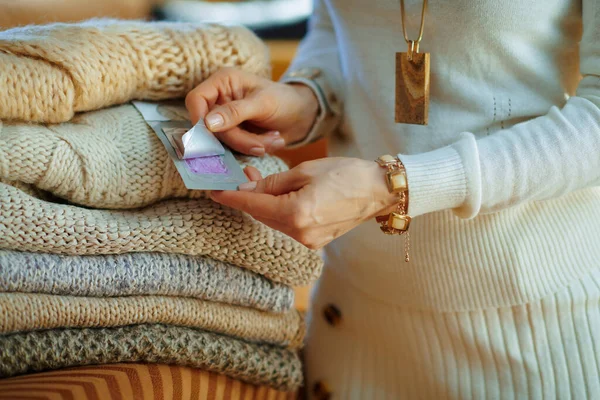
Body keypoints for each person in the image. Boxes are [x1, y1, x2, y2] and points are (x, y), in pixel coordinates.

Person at [185, 0, 600, 398]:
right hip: (351, 318)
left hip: (525, 331)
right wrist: (305, 98)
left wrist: (399, 184)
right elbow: (335, 28)